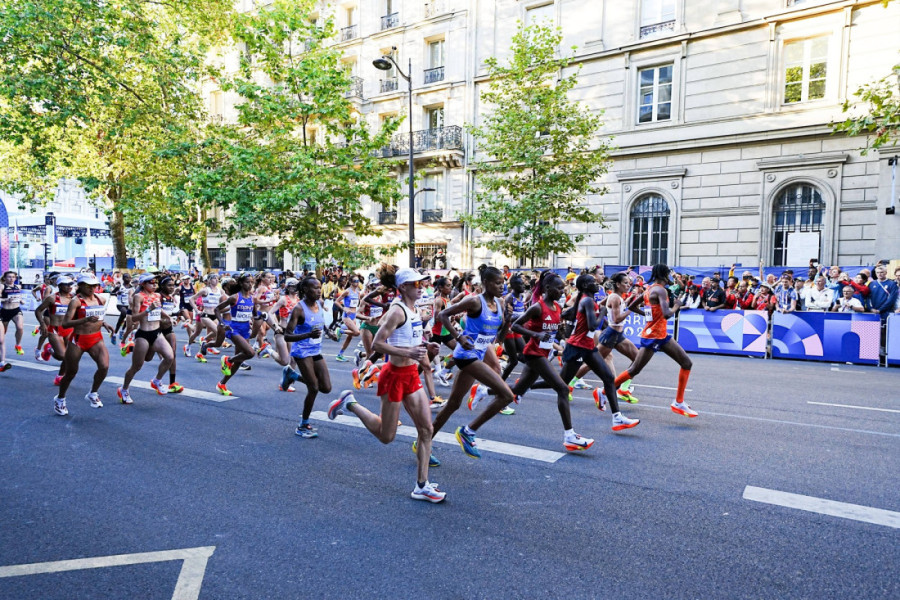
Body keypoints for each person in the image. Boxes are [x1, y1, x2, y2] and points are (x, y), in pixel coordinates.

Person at [327, 268, 445, 503]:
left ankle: (421, 485)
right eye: (415, 284)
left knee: (426, 430)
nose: (420, 287)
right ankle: (349, 403)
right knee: (386, 436)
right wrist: (408, 351)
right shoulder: (397, 310)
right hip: (394, 376)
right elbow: (379, 344)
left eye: (421, 283)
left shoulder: (414, 310)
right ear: (403, 287)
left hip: (411, 374)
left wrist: (425, 346)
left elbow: (409, 338)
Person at [456, 271, 595, 458]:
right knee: (562, 389)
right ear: (547, 288)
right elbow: (516, 325)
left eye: (563, 288)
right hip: (534, 354)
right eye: (559, 288)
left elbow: (558, 326)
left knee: (518, 390)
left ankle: (483, 391)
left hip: (543, 353)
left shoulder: (557, 307)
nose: (562, 291)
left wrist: (561, 333)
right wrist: (536, 335)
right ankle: (569, 435)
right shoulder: (537, 307)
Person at [430, 265, 516, 461]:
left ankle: (422, 443)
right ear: (485, 283)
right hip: (465, 355)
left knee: (453, 404)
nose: (502, 286)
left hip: (477, 355)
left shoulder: (501, 304)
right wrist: (459, 337)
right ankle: (468, 432)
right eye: (497, 282)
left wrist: (508, 320)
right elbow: (443, 315)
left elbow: (498, 337)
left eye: (503, 282)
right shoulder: (474, 302)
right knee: (506, 395)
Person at [614, 263, 698, 419]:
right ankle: (605, 391)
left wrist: (649, 317)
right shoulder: (661, 290)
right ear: (665, 275)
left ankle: (679, 402)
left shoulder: (649, 289)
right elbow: (667, 314)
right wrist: (677, 306)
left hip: (660, 335)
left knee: (687, 363)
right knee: (634, 370)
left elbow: (632, 306)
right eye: (670, 274)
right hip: (653, 336)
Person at [280, 275, 332, 438]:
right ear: (305, 290)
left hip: (316, 350)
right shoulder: (299, 309)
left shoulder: (320, 304)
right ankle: (303, 425)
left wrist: (329, 331)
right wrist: (308, 334)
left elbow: (320, 322)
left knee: (326, 388)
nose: (318, 291)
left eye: (319, 287)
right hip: (302, 352)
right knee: (314, 388)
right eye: (315, 288)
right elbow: (287, 336)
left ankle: (292, 374)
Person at [55, 274, 114, 415]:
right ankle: (60, 399)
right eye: (89, 285)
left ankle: (93, 393)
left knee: (104, 367)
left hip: (96, 338)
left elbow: (98, 316)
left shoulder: (101, 298)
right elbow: (66, 323)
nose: (92, 288)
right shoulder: (76, 301)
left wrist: (104, 323)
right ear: (80, 285)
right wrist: (84, 320)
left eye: (95, 285)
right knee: (70, 373)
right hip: (78, 339)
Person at [117, 274, 174, 404]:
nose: (154, 285)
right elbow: (135, 317)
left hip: (157, 333)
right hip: (143, 334)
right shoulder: (138, 296)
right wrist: (148, 309)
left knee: (170, 357)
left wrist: (168, 317)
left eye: (156, 283)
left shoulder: (157, 296)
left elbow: (159, 310)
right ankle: (124, 389)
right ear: (143, 284)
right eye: (151, 283)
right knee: (137, 366)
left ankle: (157, 380)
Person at [212, 273, 257, 396]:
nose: (250, 284)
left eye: (252, 282)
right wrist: (222, 323)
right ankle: (227, 359)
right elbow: (216, 309)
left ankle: (222, 383)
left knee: (239, 359)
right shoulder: (234, 297)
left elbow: (255, 314)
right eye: (247, 282)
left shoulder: (253, 298)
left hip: (245, 330)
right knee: (250, 353)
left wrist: (255, 321)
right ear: (241, 283)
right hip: (234, 329)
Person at [33, 275, 76, 385]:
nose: (70, 287)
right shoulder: (52, 298)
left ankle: (59, 377)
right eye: (67, 285)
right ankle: (49, 349)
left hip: (69, 329)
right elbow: (38, 311)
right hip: (55, 329)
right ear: (60, 286)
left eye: (71, 284)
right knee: (62, 356)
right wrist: (42, 324)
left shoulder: (74, 298)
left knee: (69, 357)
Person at [0, 270, 27, 359]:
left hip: (16, 310)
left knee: (20, 327)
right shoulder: (2, 286)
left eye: (13, 277)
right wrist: (5, 300)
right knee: (3, 333)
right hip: (5, 311)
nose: (11, 279)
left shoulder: (18, 286)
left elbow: (19, 296)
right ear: (5, 278)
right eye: (9, 277)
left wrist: (21, 301)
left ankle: (18, 345)